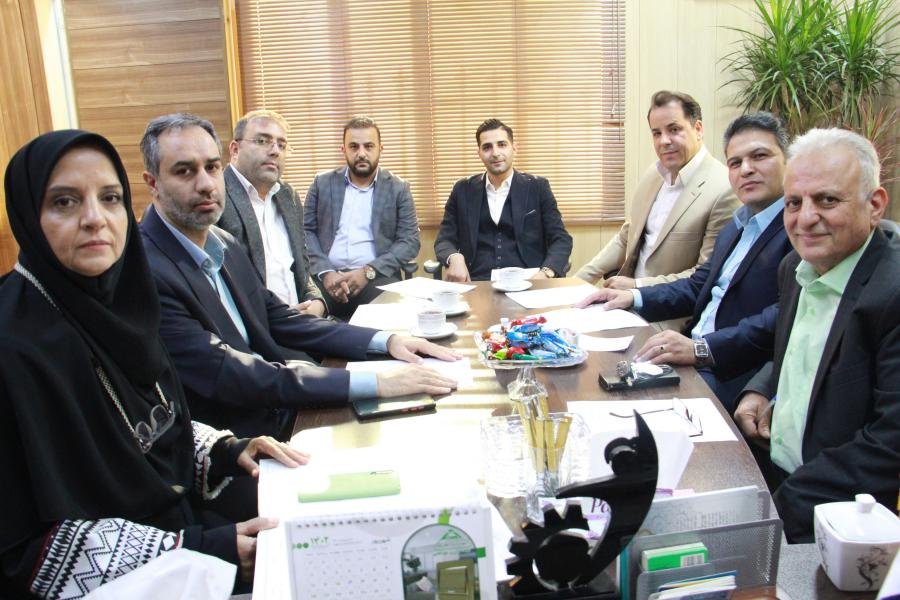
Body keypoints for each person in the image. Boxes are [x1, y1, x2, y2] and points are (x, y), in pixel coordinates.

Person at [0, 130, 308, 597]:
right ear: (28, 215)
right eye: (64, 202)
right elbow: (22, 551)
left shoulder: (122, 302)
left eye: (110, 199)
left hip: (180, 527)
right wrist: (200, 550)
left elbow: (145, 424)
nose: (95, 219)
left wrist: (225, 450)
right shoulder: (13, 345)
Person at [138, 113, 459, 441]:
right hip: (237, 438)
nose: (206, 184)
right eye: (184, 171)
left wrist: (387, 341)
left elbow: (280, 319)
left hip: (276, 399)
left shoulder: (223, 243)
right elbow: (229, 373)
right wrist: (377, 382)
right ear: (152, 183)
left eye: (212, 167)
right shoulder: (145, 272)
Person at [733, 128, 899, 542]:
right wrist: (762, 389)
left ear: (875, 205)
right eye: (794, 202)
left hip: (836, 516)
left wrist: (777, 511)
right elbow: (800, 347)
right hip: (776, 470)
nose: (805, 218)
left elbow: (889, 444)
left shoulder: (892, 293)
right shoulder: (795, 267)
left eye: (827, 200)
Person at [575, 113, 794, 411]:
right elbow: (697, 286)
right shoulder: (737, 226)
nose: (746, 169)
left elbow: (781, 316)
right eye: (735, 162)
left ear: (788, 161)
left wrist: (701, 349)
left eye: (759, 156)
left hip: (734, 372)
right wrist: (633, 297)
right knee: (590, 380)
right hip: (690, 352)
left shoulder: (796, 230)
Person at [575, 91, 737, 292]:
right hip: (626, 298)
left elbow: (705, 275)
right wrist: (577, 281)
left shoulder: (724, 189)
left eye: (674, 129)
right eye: (657, 133)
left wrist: (637, 287)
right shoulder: (654, 173)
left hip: (670, 306)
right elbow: (627, 237)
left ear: (698, 129)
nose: (664, 141)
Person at [303, 115, 420, 319]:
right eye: (354, 147)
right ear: (343, 149)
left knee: (388, 319)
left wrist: (368, 271)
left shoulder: (398, 188)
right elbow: (305, 232)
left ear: (380, 149)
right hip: (326, 280)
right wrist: (326, 272)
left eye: (369, 146)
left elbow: (409, 241)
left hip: (376, 279)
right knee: (309, 315)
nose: (361, 153)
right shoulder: (322, 184)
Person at [434, 118, 573, 282]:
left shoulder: (537, 187)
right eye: (487, 147)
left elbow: (561, 239)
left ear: (514, 148)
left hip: (529, 282)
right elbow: (444, 239)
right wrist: (454, 257)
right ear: (479, 153)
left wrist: (545, 273)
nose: (495, 153)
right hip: (476, 282)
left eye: (502, 144)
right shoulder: (462, 189)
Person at [218, 109, 326, 316]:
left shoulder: (288, 196)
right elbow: (217, 288)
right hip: (257, 325)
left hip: (303, 321)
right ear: (235, 149)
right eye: (262, 141)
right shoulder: (216, 196)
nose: (275, 151)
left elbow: (302, 270)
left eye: (281, 145)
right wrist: (279, 317)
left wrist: (317, 302)